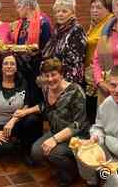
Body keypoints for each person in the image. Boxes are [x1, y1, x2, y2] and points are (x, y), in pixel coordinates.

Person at [13, 58, 89, 186]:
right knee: (36, 152)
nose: (50, 79)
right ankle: (63, 163)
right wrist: (25, 112)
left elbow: (78, 124)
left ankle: (73, 171)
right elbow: (45, 106)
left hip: (75, 136)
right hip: (56, 131)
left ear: (61, 74)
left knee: (53, 153)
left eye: (54, 74)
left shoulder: (75, 91)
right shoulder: (46, 88)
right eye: (46, 76)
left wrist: (54, 140)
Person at [0, 54, 43, 158]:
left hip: (14, 123)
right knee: (4, 149)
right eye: (6, 63)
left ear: (16, 67)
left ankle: (26, 148)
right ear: (1, 67)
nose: (9, 66)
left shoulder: (22, 82)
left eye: (12, 64)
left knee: (34, 119)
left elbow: (26, 105)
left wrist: (13, 121)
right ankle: (7, 141)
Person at [13, 0, 52, 106]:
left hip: (36, 69)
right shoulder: (22, 22)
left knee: (34, 101)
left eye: (19, 6)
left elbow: (47, 50)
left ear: (27, 6)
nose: (17, 9)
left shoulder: (43, 22)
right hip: (21, 69)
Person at [42, 0, 87, 86]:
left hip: (69, 81)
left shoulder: (76, 29)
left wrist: (64, 83)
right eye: (58, 11)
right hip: (54, 79)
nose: (60, 14)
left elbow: (76, 62)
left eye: (64, 11)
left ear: (72, 13)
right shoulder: (57, 30)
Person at [85, 0, 114, 124]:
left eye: (99, 7)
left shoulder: (110, 24)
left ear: (109, 9)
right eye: (92, 7)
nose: (94, 10)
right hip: (91, 77)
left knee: (99, 116)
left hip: (102, 76)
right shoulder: (94, 25)